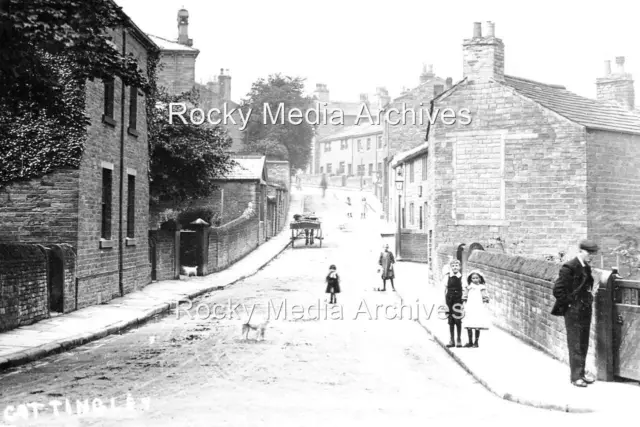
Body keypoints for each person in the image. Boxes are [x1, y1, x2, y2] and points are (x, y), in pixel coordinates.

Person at [551, 239, 599, 387]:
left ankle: (582, 373)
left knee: (583, 342)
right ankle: (575, 377)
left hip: (585, 309)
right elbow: (557, 290)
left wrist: (589, 296)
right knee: (575, 343)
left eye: (592, 254)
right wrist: (571, 304)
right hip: (573, 311)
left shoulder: (585, 267)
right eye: (588, 253)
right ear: (581, 251)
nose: (591, 256)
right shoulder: (569, 267)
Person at [462, 270, 490, 347]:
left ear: (480, 279)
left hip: (478, 307)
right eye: (473, 278)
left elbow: (485, 297)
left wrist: (485, 302)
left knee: (477, 324)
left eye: (476, 278)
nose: (475, 279)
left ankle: (476, 342)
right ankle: (470, 341)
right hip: (470, 306)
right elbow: (465, 296)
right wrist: (464, 303)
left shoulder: (481, 287)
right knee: (469, 323)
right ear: (470, 279)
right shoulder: (468, 287)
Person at [443, 259, 464, 348]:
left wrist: (463, 302)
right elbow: (444, 289)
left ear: (459, 267)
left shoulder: (462, 277)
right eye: (453, 266)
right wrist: (445, 303)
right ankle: (452, 340)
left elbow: (464, 290)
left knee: (457, 319)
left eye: (457, 266)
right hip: (449, 300)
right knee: (450, 320)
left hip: (458, 300)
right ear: (451, 267)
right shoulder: (447, 277)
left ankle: (459, 339)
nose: (455, 267)